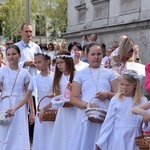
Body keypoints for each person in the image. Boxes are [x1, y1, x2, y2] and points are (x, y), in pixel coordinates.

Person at [70, 42, 118, 150]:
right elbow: (73, 98)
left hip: (105, 115)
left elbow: (119, 95)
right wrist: (87, 105)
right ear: (86, 56)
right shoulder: (80, 74)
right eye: (93, 54)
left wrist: (108, 94)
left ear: (103, 55)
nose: (96, 57)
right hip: (86, 115)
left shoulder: (110, 73)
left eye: (99, 54)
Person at [6, 52, 54, 150]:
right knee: (42, 139)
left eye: (39, 62)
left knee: (53, 138)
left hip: (54, 113)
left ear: (47, 61)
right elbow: (26, 96)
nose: (37, 65)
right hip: (41, 114)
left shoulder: (55, 77)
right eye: (36, 63)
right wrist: (14, 108)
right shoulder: (35, 79)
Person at [95, 70, 147, 150]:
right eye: (122, 84)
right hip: (118, 136)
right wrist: (101, 142)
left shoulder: (142, 100)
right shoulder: (116, 100)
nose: (123, 87)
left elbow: (145, 122)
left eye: (127, 85)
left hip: (135, 136)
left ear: (135, 85)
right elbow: (108, 122)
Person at [40, 50, 76, 150]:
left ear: (68, 62)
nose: (59, 66)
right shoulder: (59, 78)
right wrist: (44, 108)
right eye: (57, 63)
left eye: (61, 63)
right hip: (63, 111)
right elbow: (58, 97)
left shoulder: (77, 75)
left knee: (73, 133)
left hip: (74, 110)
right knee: (63, 135)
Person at [0, 45, 34, 150]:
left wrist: (32, 111)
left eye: (14, 54)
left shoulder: (25, 73)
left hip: (20, 104)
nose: (11, 57)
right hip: (6, 102)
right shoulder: (2, 71)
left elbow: (28, 94)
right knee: (5, 127)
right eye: (9, 54)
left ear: (19, 55)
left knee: (18, 129)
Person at [15, 22, 41, 143]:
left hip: (33, 80)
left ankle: (32, 137)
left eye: (31, 31)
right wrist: (24, 63)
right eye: (26, 31)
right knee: (21, 109)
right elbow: (11, 63)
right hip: (20, 83)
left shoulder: (36, 47)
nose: (29, 34)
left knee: (33, 109)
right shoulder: (16, 47)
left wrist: (37, 64)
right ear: (21, 32)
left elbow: (41, 62)